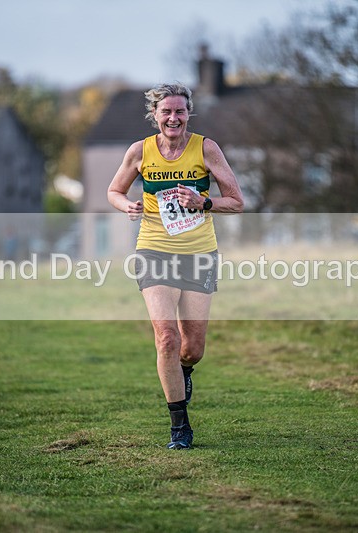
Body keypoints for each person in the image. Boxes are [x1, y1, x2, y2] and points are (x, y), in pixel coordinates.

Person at [107, 83, 244, 449]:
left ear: (188, 113)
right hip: (154, 251)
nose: (173, 118)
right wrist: (127, 206)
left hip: (199, 254)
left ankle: (184, 371)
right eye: (166, 111)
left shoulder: (206, 149)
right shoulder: (140, 151)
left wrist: (204, 202)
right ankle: (179, 427)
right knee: (167, 338)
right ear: (154, 115)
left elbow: (236, 201)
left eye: (179, 111)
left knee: (191, 348)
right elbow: (114, 191)